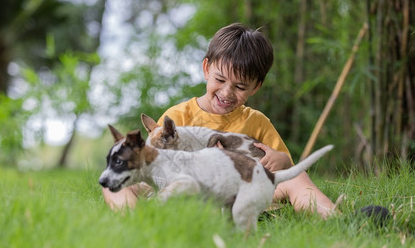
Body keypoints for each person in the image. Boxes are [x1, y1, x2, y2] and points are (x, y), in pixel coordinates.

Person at [102, 23, 336, 219]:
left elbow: (285, 167)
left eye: (240, 86)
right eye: (220, 80)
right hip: (186, 192)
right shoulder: (178, 117)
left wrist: (281, 158)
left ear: (256, 87)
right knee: (120, 180)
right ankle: (134, 220)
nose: (226, 92)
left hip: (242, 193)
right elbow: (154, 163)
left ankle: (337, 218)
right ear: (206, 69)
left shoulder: (256, 121)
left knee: (298, 178)